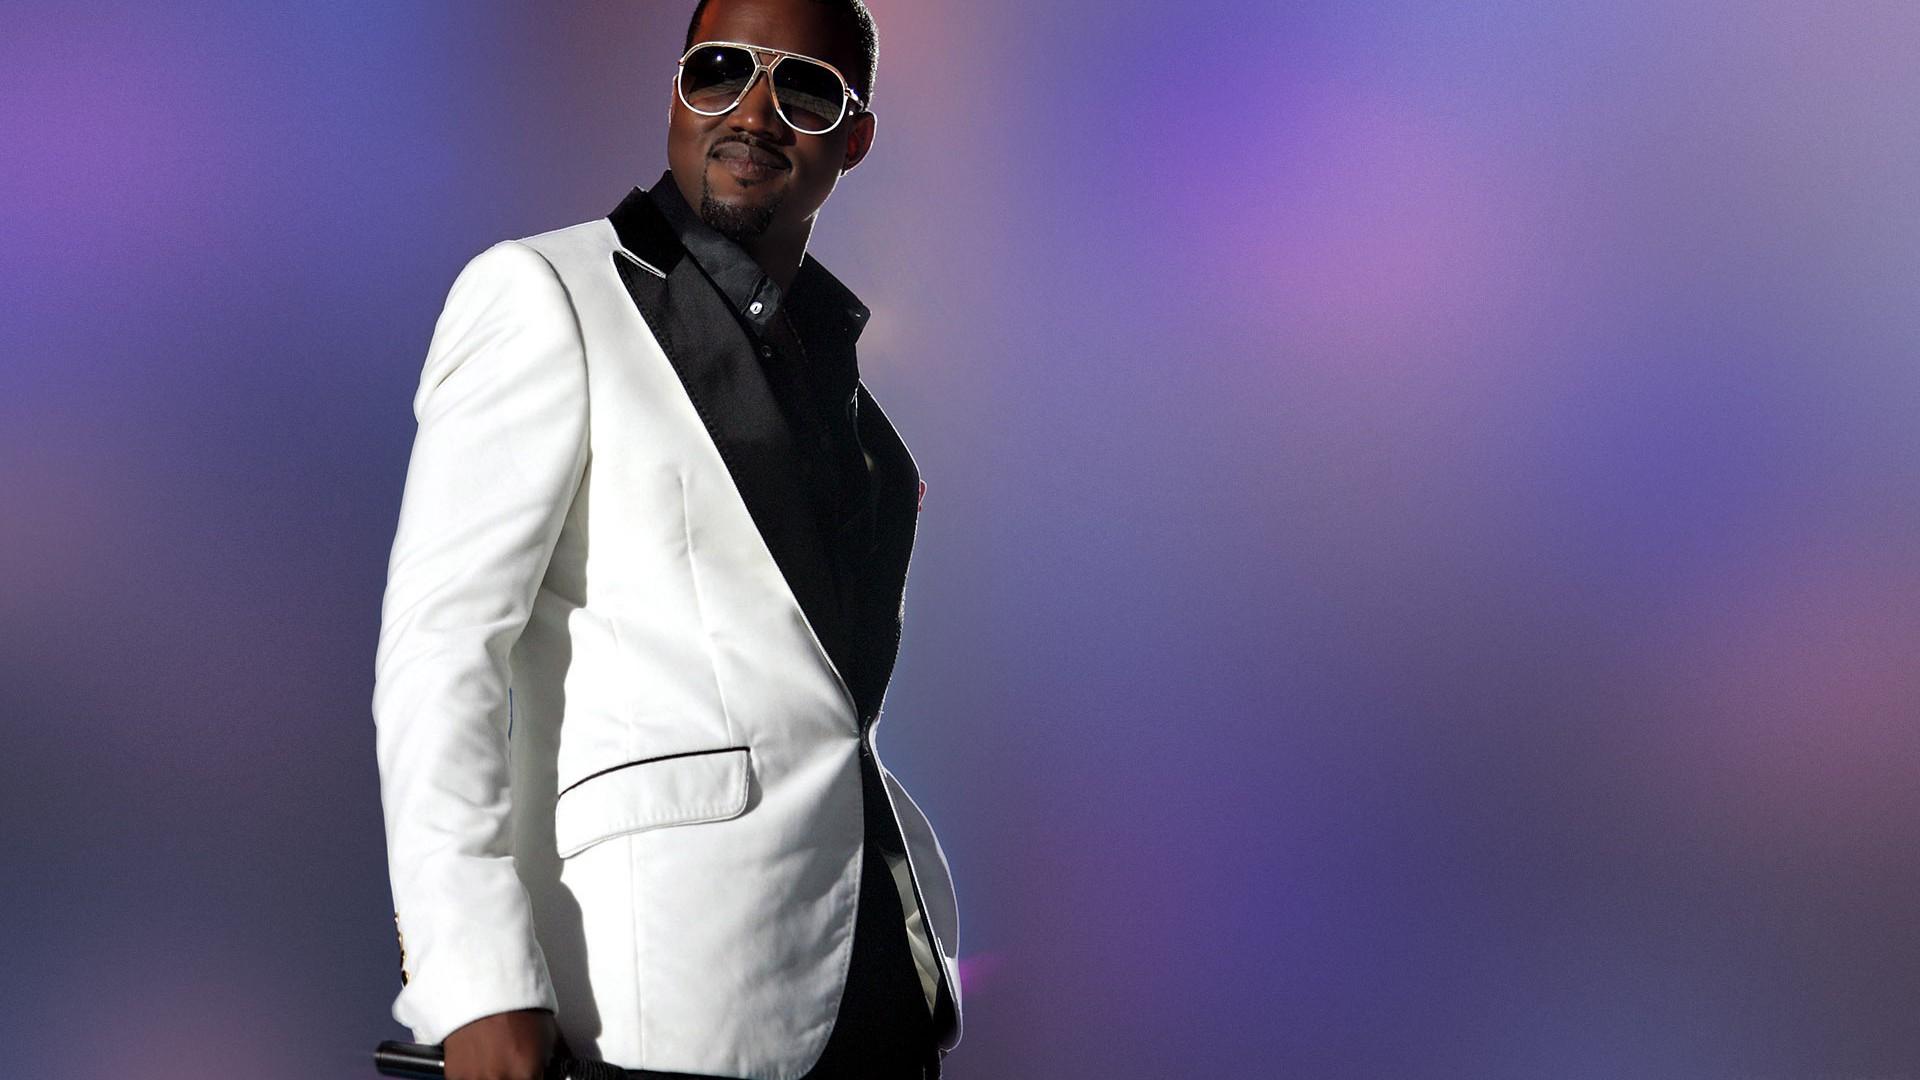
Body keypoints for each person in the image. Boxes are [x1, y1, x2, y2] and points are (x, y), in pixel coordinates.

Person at [370, 1, 962, 1077]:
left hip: (874, 983)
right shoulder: (545, 295)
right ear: (677, 91)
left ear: (855, 139)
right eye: (722, 68)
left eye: (805, 88)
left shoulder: (859, 414)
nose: (755, 111)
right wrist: (476, 983)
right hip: (663, 986)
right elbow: (441, 652)